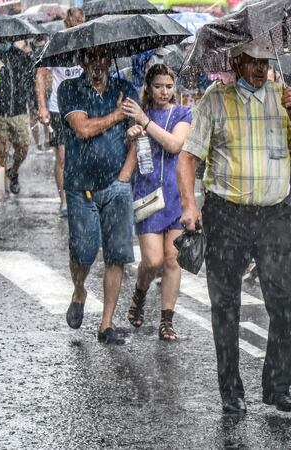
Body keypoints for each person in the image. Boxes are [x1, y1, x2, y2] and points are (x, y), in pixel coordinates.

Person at [177, 40, 291, 415]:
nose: (258, 68)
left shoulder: (284, 98)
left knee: (286, 302)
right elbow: (188, 158)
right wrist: (190, 204)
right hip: (227, 215)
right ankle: (231, 391)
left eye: (264, 61)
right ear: (237, 60)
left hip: (274, 216)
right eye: (251, 61)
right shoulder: (214, 100)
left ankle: (277, 387)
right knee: (226, 306)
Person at [59, 45, 138, 345]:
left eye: (103, 56)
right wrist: (117, 114)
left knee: (116, 255)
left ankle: (106, 324)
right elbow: (82, 129)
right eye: (90, 56)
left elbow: (138, 130)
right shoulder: (70, 88)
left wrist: (125, 176)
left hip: (116, 184)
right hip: (80, 186)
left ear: (111, 58)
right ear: (81, 59)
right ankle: (79, 289)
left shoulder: (125, 87)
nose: (97, 63)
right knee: (83, 250)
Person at [121, 64, 192, 341]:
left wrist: (146, 123)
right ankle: (140, 292)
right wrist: (132, 136)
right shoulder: (139, 116)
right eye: (159, 86)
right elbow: (132, 160)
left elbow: (175, 144)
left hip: (176, 194)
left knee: (173, 259)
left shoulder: (183, 113)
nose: (164, 92)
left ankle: (166, 320)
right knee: (152, 260)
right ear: (149, 88)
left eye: (169, 86)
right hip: (147, 193)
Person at [36, 7, 85, 217]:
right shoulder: (57, 43)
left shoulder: (87, 42)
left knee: (83, 155)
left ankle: (83, 195)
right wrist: (42, 106)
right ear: (67, 22)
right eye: (74, 22)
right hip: (58, 108)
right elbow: (41, 74)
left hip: (84, 107)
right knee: (63, 157)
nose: (77, 25)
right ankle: (64, 200)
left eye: (80, 22)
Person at [0, 41, 35, 195]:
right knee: (0, 151)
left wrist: (34, 103)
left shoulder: (22, 57)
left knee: (23, 147)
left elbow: (31, 80)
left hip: (19, 110)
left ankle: (13, 171)